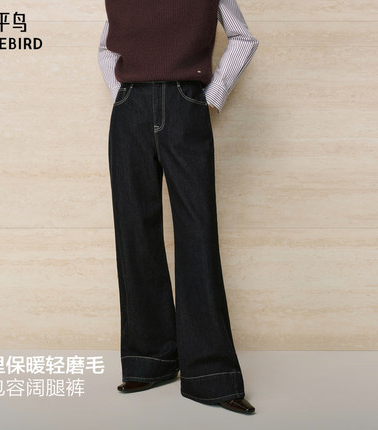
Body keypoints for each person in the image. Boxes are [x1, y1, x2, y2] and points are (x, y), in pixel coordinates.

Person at [98, 0, 259, 415]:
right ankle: (148, 360)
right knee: (134, 233)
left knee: (197, 234)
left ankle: (212, 376)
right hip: (129, 110)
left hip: (186, 101)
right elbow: (107, 48)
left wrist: (211, 96)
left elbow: (243, 37)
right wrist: (123, 95)